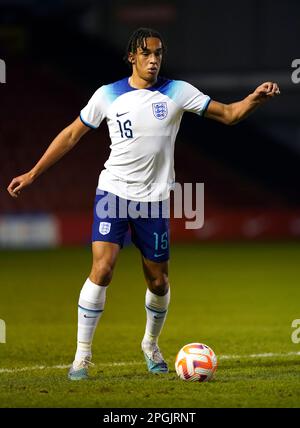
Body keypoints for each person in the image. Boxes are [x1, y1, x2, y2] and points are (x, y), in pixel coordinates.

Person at [7, 28, 280, 380]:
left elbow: (229, 114)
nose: (153, 60)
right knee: (102, 269)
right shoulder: (107, 95)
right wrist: (32, 173)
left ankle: (150, 344)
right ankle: (82, 356)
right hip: (113, 193)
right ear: (132, 57)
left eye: (158, 54)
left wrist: (255, 98)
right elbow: (72, 134)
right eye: (146, 54)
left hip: (154, 202)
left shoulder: (177, 91)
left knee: (159, 282)